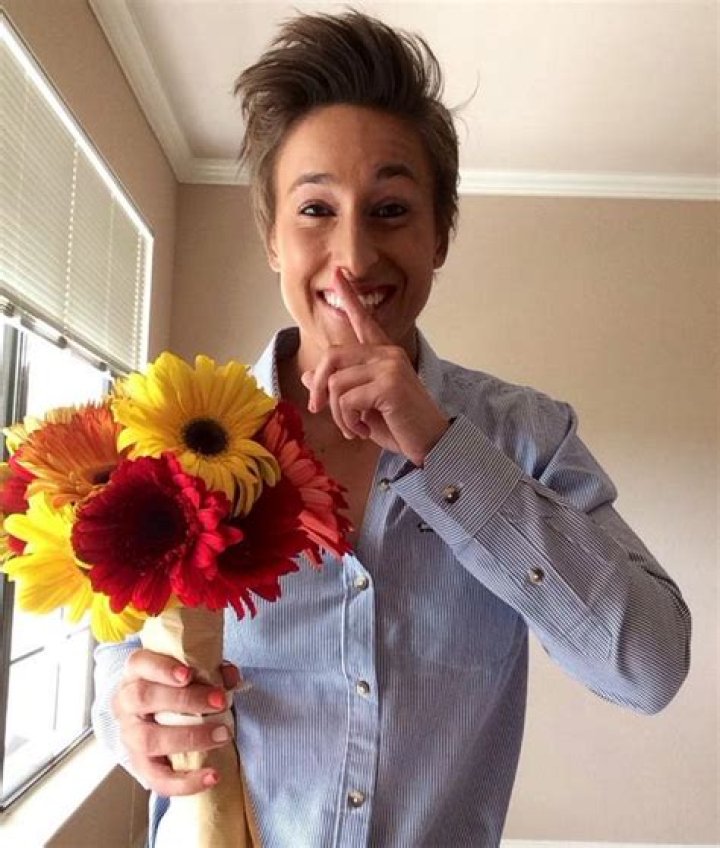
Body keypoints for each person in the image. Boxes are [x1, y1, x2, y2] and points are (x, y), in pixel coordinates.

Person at [93, 10, 691, 847]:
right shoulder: (162, 438)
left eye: (390, 208)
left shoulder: (527, 436)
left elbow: (650, 667)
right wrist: (123, 707)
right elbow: (111, 656)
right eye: (315, 209)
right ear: (271, 238)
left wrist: (446, 453)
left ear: (439, 234)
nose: (354, 256)